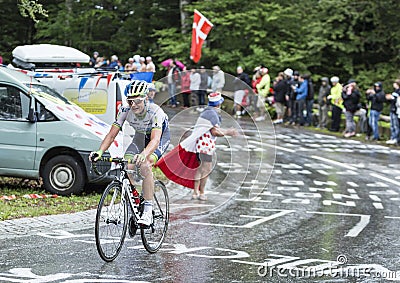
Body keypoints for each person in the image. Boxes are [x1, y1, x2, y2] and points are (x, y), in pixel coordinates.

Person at [89, 80, 170, 226]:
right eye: (130, 101)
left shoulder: (155, 112)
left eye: (137, 101)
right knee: (127, 166)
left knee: (145, 165)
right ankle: (134, 201)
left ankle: (147, 210)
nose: (133, 105)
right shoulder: (125, 111)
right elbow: (111, 135)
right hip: (139, 137)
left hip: (158, 138)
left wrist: (144, 154)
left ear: (146, 98)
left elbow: (155, 140)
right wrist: (100, 151)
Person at [155, 92, 238, 201]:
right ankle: (201, 192)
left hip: (200, 145)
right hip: (206, 146)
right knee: (206, 170)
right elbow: (214, 132)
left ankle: (195, 192)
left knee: (200, 169)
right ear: (218, 104)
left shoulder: (207, 112)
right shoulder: (213, 114)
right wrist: (228, 132)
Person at [385, 79, 400, 145]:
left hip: (396, 110)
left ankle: (396, 138)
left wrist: (392, 98)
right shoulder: (395, 91)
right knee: (392, 125)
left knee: (396, 125)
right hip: (392, 109)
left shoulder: (398, 92)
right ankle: (392, 137)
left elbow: (396, 100)